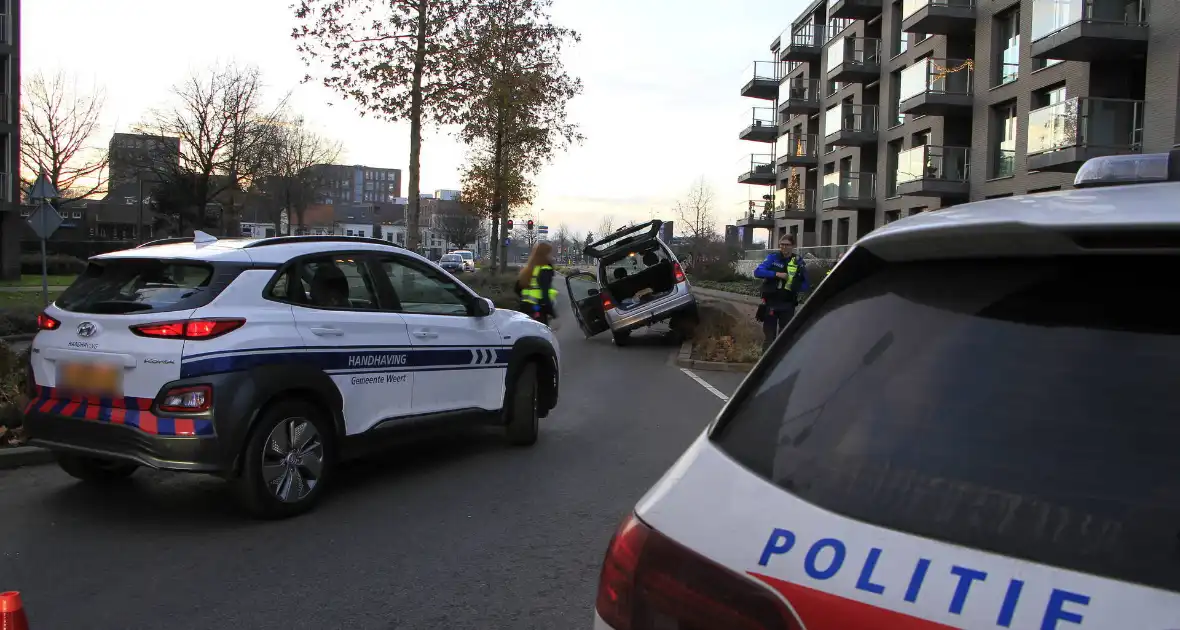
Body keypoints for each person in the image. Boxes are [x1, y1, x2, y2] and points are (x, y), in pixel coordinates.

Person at [753, 234, 809, 351]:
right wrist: (776, 274)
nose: (784, 247)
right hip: (771, 303)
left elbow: (805, 284)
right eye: (782, 244)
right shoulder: (773, 258)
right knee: (769, 338)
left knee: (785, 338)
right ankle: (765, 365)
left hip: (787, 304)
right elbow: (758, 272)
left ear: (793, 246)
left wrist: (795, 284)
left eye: (787, 245)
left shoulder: (798, 261)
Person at [517, 242, 559, 326]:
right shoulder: (545, 269)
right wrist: (552, 313)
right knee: (542, 332)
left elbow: (517, 288)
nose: (551, 256)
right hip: (538, 308)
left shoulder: (529, 268)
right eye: (550, 253)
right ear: (546, 254)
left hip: (525, 307)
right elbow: (545, 293)